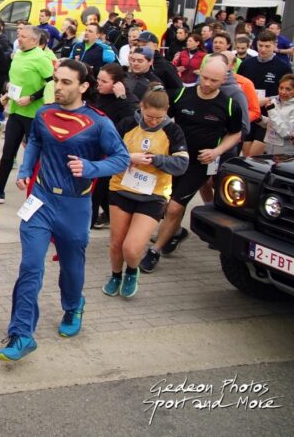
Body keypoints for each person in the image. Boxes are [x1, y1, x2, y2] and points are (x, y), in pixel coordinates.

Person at [0, 60, 129, 362]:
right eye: (56, 80)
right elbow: (35, 142)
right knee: (30, 266)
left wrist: (92, 167)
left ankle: (73, 306)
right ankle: (21, 334)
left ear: (83, 87)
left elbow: (121, 158)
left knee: (71, 267)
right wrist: (26, 169)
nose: (58, 86)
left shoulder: (99, 122)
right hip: (40, 201)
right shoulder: (44, 113)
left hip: (75, 205)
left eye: (66, 82)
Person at [139, 55, 243, 273]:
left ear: (224, 79)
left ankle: (154, 251)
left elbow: (235, 134)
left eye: (214, 81)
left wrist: (217, 151)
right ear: (199, 73)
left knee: (176, 207)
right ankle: (175, 233)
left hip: (200, 164)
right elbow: (161, 119)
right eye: (204, 78)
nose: (207, 84)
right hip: (174, 159)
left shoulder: (230, 104)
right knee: (165, 205)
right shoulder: (180, 96)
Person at [105, 89, 189, 299]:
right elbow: (108, 153)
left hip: (153, 195)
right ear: (141, 107)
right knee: (116, 243)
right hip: (121, 189)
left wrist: (156, 159)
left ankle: (132, 271)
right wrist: (130, 157)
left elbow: (181, 164)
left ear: (166, 112)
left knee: (131, 248)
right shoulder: (127, 124)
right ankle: (115, 275)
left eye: (158, 118)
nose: (153, 121)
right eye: (149, 116)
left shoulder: (173, 130)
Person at [0, 25, 55, 204]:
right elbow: (16, 80)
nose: (19, 39)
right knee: (7, 152)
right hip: (16, 111)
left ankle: (38, 193)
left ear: (35, 41)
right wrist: (7, 95)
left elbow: (52, 84)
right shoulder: (18, 54)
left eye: (23, 37)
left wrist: (32, 97)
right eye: (19, 36)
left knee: (35, 154)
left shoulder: (41, 58)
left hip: (34, 114)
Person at [90, 63, 138, 228]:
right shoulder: (96, 95)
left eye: (104, 81)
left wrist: (122, 98)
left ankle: (90, 223)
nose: (99, 84)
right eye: (98, 79)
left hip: (111, 153)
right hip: (93, 149)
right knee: (98, 192)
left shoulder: (127, 100)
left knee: (99, 191)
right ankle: (109, 216)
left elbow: (134, 123)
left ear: (117, 84)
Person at [263, 74, 294, 155]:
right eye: (281, 88)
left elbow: (286, 133)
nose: (283, 92)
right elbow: (272, 124)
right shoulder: (274, 101)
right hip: (269, 148)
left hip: (286, 154)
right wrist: (260, 119)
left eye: (288, 89)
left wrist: (271, 111)